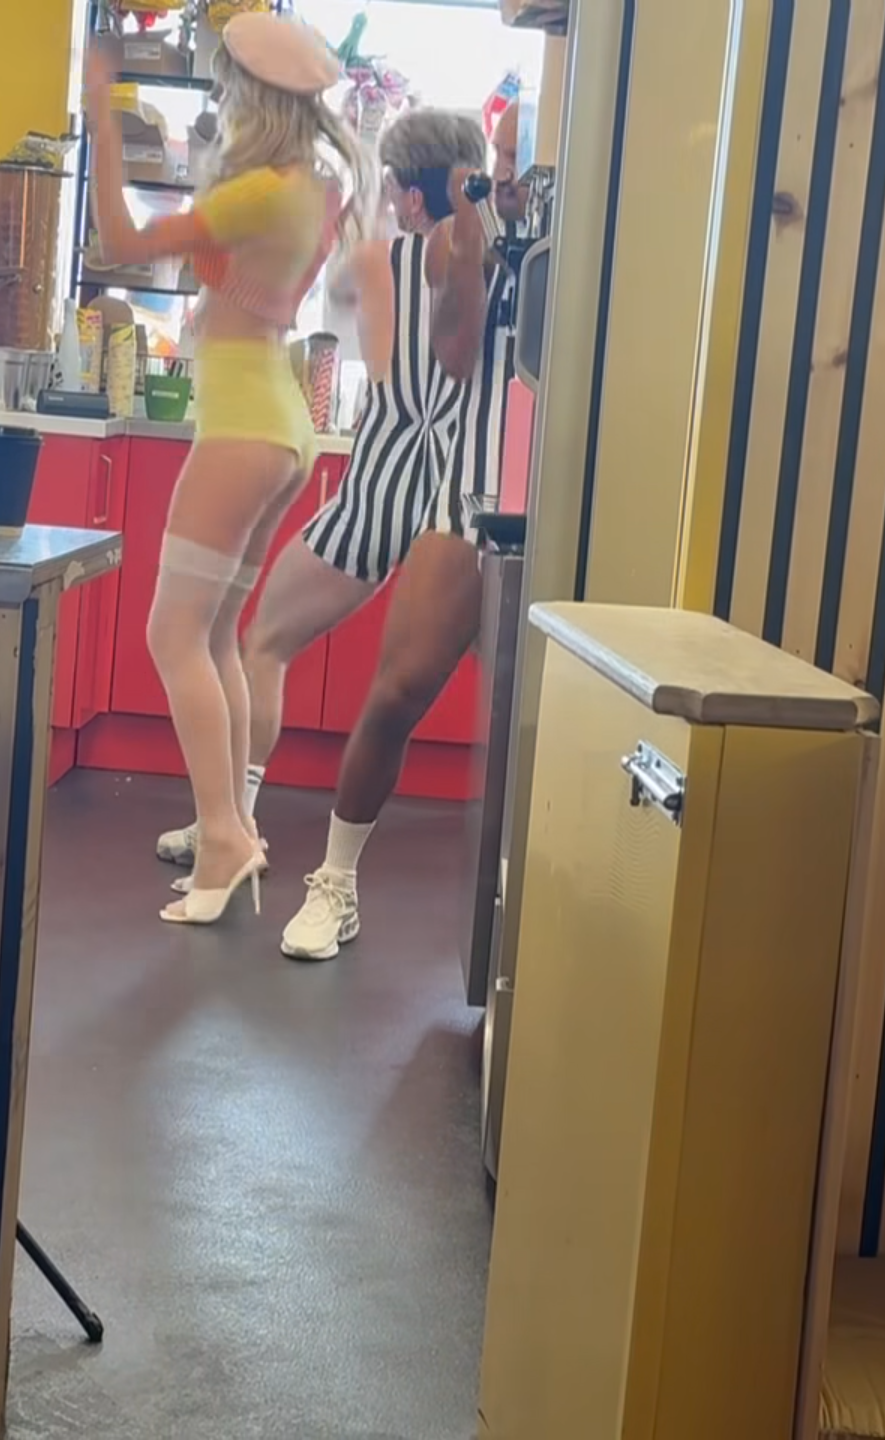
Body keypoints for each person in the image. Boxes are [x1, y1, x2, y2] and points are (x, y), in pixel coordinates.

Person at [85, 14, 373, 925]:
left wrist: (99, 114)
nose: (219, 99)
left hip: (242, 424)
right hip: (281, 424)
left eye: (226, 87)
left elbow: (119, 241)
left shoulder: (261, 192)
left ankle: (222, 837)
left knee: (172, 636)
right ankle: (237, 826)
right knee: (214, 639)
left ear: (255, 98)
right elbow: (237, 278)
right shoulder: (312, 188)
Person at [154, 108, 489, 874]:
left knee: (264, 642)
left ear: (410, 195)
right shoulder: (488, 264)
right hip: (460, 497)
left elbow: (377, 361)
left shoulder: (381, 260)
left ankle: (229, 824)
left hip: (381, 486)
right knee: (468, 688)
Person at [279, 99, 528, 960]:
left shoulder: (569, 239)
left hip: (565, 496)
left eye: (514, 155)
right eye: (497, 156)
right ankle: (335, 884)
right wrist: (471, 231)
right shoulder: (455, 241)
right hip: (471, 491)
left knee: (546, 726)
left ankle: (538, 917)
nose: (504, 171)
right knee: (396, 691)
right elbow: (455, 355)